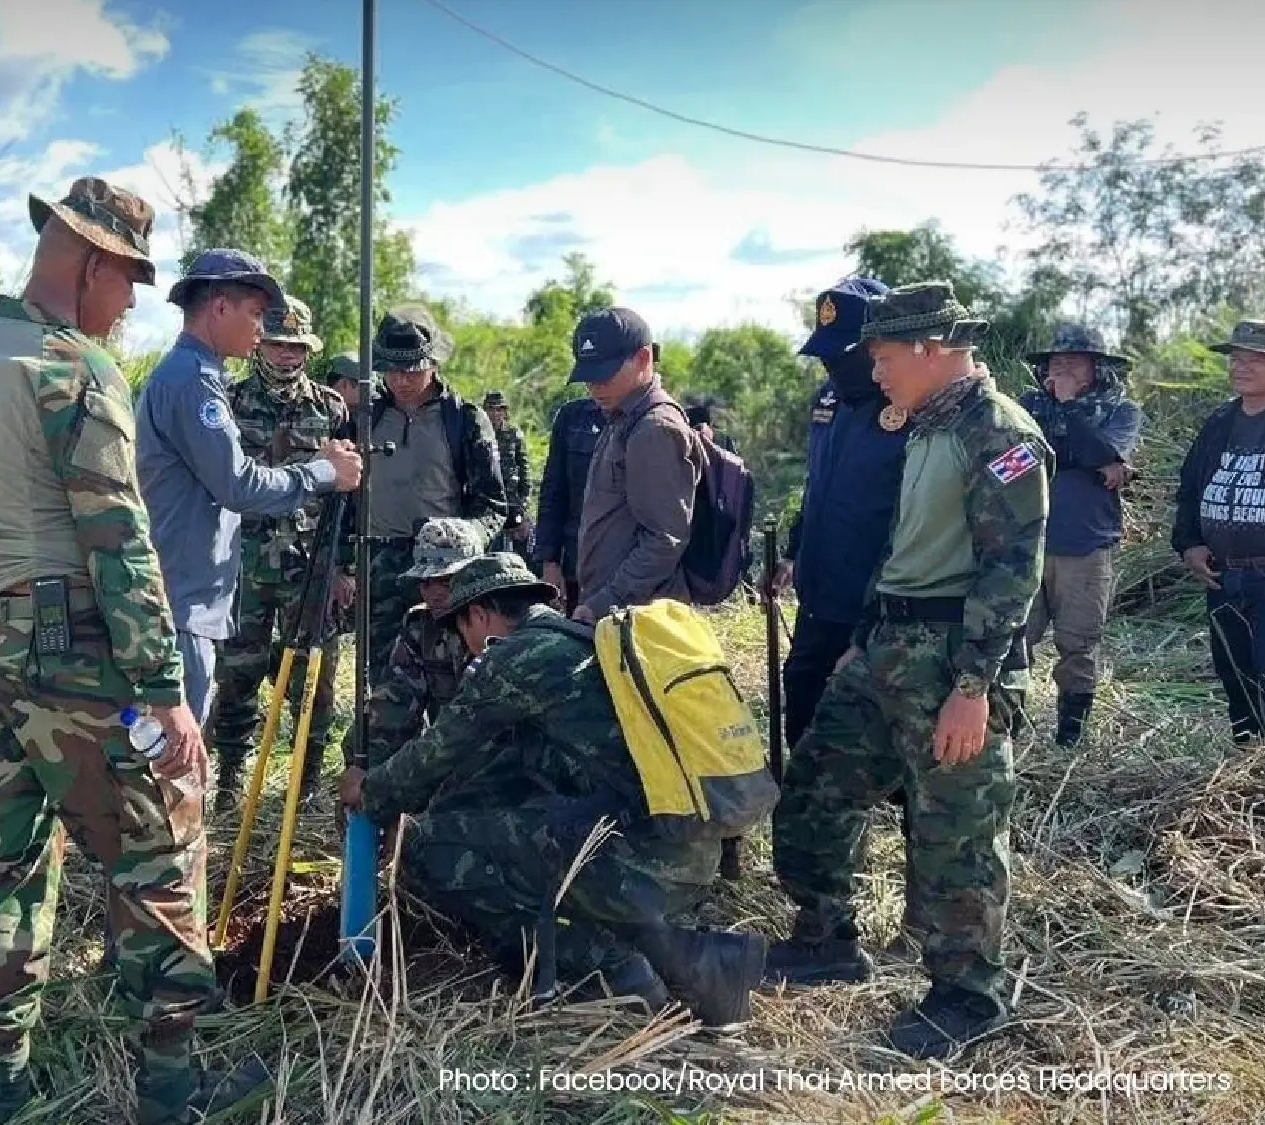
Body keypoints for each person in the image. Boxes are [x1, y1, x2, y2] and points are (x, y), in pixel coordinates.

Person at [0, 177, 261, 1125]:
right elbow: (117, 535)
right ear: (93, 261)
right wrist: (162, 689)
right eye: (131, 279)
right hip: (65, 637)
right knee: (159, 841)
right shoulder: (72, 365)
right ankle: (172, 1085)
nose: (133, 300)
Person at [768, 282, 1048, 1060]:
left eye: (885, 356)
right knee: (817, 785)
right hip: (888, 643)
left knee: (956, 831)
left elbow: (1012, 570)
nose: (875, 371)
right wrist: (863, 636)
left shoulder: (998, 431)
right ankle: (824, 936)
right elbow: (899, 544)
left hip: (954, 656)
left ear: (930, 350)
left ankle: (966, 994)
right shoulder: (927, 426)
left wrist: (973, 687)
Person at [341, 553, 767, 1025]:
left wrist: (371, 793)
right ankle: (680, 952)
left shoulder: (517, 659)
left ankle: (610, 967)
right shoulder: (584, 644)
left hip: (638, 867)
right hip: (688, 853)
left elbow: (436, 754)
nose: (467, 646)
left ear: (478, 615)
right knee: (500, 830)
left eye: (462, 629)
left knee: (426, 848)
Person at [134, 249, 362, 722]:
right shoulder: (195, 383)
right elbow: (237, 485)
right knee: (180, 745)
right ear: (220, 307)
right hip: (188, 599)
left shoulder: (199, 377)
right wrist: (322, 472)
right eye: (256, 314)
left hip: (218, 590)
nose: (262, 330)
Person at [209, 294, 350, 810]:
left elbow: (349, 493)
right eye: (277, 344)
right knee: (237, 673)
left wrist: (345, 568)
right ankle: (229, 781)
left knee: (314, 681)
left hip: (308, 567)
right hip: (243, 564)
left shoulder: (331, 408)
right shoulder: (228, 401)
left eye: (296, 346)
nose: (287, 355)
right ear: (258, 345)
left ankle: (305, 786)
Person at [341, 306, 507, 705]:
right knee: (384, 681)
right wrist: (341, 567)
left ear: (433, 364)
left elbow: (492, 505)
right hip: (379, 566)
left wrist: (466, 540)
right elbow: (342, 500)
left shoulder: (465, 420)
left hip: (446, 572)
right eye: (392, 370)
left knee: (454, 678)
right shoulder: (363, 419)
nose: (402, 380)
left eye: (412, 371)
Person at [769, 278, 903, 750]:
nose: (832, 366)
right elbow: (817, 486)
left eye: (843, 355)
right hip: (820, 588)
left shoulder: (908, 407)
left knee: (864, 716)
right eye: (825, 355)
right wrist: (793, 552)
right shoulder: (827, 401)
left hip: (875, 598)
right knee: (801, 687)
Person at [1172, 319, 1265, 743]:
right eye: (1236, 359)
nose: (1241, 367)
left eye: (1256, 359)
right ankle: (1250, 759)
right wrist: (1190, 544)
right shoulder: (1221, 420)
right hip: (1224, 573)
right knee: (1234, 673)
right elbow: (1190, 488)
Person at [1018, 325, 1145, 747]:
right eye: (1056, 362)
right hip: (1026, 542)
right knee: (1014, 640)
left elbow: (1104, 453)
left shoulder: (1121, 411)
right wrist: (1092, 462)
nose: (1063, 369)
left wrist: (1070, 409)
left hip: (1085, 546)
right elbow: (1019, 458)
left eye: (1074, 362)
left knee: (1078, 644)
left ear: (1097, 368)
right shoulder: (1027, 407)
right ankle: (1007, 730)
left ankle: (1069, 739)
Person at [570, 307, 701, 620]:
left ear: (643, 359)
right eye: (588, 377)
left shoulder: (654, 429)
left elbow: (664, 540)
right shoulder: (621, 417)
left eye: (605, 374)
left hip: (639, 618)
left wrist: (604, 602)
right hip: (615, 612)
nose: (594, 387)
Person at [358, 518, 488, 775]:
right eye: (426, 582)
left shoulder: (507, 625)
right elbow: (394, 704)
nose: (433, 593)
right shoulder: (421, 628)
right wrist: (367, 771)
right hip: (447, 755)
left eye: (446, 581)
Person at [533, 389, 604, 612]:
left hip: (627, 570)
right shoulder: (572, 418)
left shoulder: (648, 421)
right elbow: (553, 492)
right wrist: (549, 562)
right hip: (576, 564)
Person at [482, 390, 532, 553]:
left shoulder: (513, 434)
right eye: (491, 409)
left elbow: (524, 467)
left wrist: (524, 499)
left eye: (499, 409)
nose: (495, 413)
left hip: (511, 497)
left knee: (519, 542)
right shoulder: (479, 433)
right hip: (488, 498)